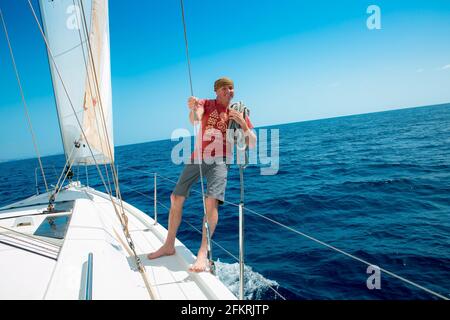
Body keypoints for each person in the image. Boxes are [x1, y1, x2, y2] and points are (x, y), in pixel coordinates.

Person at [146, 77, 257, 272]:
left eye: (230, 88)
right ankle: (169, 245)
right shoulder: (206, 103)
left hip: (221, 159)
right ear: (216, 91)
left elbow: (253, 142)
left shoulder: (238, 112)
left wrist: (243, 125)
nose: (228, 91)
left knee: (211, 202)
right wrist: (193, 108)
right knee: (175, 197)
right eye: (224, 88)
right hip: (198, 156)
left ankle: (202, 254)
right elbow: (195, 118)